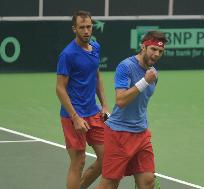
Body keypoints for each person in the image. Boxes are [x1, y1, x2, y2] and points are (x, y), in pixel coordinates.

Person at [94, 31, 168, 189]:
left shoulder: (154, 73)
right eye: (153, 49)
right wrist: (144, 82)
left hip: (141, 133)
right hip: (119, 134)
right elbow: (120, 101)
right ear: (143, 47)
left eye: (160, 51)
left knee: (148, 181)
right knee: (109, 184)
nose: (156, 54)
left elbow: (141, 103)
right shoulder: (126, 66)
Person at [56, 10, 109, 189]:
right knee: (78, 162)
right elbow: (60, 88)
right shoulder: (67, 55)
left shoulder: (96, 48)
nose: (86, 30)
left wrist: (104, 105)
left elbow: (96, 77)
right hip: (73, 116)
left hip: (93, 112)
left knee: (105, 158)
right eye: (82, 27)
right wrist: (75, 117)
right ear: (74, 29)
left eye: (89, 26)